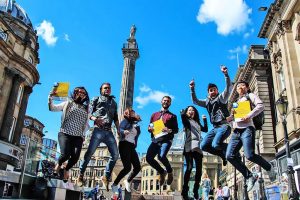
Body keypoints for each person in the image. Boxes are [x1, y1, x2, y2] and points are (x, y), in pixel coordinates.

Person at [225, 81, 276, 191]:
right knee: (229, 155)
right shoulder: (236, 102)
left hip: (247, 128)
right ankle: (249, 176)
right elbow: (234, 118)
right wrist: (230, 119)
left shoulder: (250, 96)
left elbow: (261, 106)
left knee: (249, 155)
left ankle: (269, 167)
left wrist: (249, 115)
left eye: (242, 85)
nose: (240, 87)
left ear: (247, 88)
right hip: (236, 131)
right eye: (238, 86)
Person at [79, 83, 119, 190]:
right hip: (98, 130)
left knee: (115, 155)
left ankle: (106, 176)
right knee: (89, 154)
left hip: (109, 131)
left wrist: (119, 130)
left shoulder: (114, 103)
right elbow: (88, 112)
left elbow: (116, 118)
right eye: (105, 88)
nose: (107, 89)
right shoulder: (96, 99)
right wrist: (95, 119)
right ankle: (81, 174)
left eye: (109, 88)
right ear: (101, 89)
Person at [190, 66, 232, 166]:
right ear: (208, 92)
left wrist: (226, 74)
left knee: (215, 144)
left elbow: (228, 88)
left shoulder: (222, 98)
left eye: (214, 89)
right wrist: (192, 89)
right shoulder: (207, 102)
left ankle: (232, 146)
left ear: (217, 91)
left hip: (224, 126)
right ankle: (222, 155)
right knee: (204, 146)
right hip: (214, 128)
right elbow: (195, 101)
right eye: (210, 90)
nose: (212, 91)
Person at [48, 87, 90, 181]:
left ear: (85, 96)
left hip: (78, 136)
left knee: (75, 157)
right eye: (79, 92)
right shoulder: (68, 103)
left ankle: (66, 169)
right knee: (65, 155)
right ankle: (58, 165)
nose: (81, 94)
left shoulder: (87, 108)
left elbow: (89, 120)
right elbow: (52, 108)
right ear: (74, 93)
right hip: (65, 133)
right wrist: (51, 97)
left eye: (83, 93)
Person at [146, 96, 179, 186]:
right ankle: (162, 172)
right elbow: (150, 126)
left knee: (161, 156)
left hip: (166, 140)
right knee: (148, 158)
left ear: (170, 104)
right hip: (156, 140)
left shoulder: (172, 116)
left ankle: (170, 172)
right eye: (164, 100)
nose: (166, 102)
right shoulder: (154, 115)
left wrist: (168, 130)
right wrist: (150, 129)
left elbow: (176, 130)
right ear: (161, 101)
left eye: (168, 101)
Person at [180, 106, 208, 200]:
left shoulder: (197, 123)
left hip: (198, 147)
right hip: (189, 146)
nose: (191, 111)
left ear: (195, 112)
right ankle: (185, 190)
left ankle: (195, 190)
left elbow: (205, 129)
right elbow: (183, 117)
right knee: (189, 167)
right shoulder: (187, 121)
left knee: (199, 171)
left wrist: (204, 120)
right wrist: (184, 112)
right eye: (189, 110)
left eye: (192, 110)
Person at [112, 108, 141, 193]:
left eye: (134, 113)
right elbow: (120, 129)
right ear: (127, 114)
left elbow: (137, 135)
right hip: (124, 144)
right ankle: (114, 184)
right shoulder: (125, 121)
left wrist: (137, 123)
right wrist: (123, 131)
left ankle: (127, 181)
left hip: (131, 146)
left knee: (137, 167)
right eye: (132, 113)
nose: (134, 114)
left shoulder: (135, 123)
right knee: (127, 167)